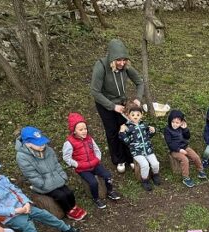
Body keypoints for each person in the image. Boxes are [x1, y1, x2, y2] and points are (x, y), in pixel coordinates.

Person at [90, 38, 144, 173]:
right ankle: (119, 159)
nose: (121, 63)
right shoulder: (101, 66)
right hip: (105, 103)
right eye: (118, 60)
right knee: (112, 131)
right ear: (112, 58)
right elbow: (95, 92)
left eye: (124, 60)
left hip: (122, 103)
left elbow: (139, 82)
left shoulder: (125, 67)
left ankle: (130, 157)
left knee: (126, 128)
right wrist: (112, 106)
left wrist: (138, 99)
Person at [15, 126, 87, 222]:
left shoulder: (48, 150)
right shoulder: (22, 156)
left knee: (68, 192)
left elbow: (56, 165)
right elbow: (31, 174)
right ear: (28, 143)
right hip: (44, 184)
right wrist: (42, 184)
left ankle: (73, 207)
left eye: (43, 143)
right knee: (60, 196)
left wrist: (62, 176)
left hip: (56, 179)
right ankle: (68, 211)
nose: (42, 145)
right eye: (39, 144)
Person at [63, 112, 122, 209]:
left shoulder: (89, 138)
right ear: (74, 131)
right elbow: (66, 157)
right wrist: (77, 164)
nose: (84, 131)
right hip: (82, 169)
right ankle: (96, 198)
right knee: (93, 182)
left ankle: (110, 191)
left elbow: (96, 150)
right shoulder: (69, 143)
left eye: (85, 129)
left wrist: (97, 159)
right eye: (80, 130)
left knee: (108, 175)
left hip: (94, 164)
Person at [118, 102, 161, 191]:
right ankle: (145, 180)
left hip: (148, 150)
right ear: (128, 116)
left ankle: (155, 175)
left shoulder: (144, 125)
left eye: (138, 115)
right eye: (133, 115)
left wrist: (153, 131)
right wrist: (122, 132)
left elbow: (148, 136)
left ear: (141, 115)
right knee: (145, 165)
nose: (135, 116)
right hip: (137, 152)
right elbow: (127, 141)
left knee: (155, 163)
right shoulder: (127, 127)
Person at [164, 110, 207, 188]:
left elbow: (187, 137)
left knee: (196, 157)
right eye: (173, 122)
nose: (174, 124)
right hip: (175, 150)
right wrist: (179, 150)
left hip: (184, 147)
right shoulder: (167, 129)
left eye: (177, 123)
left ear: (181, 122)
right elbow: (169, 143)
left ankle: (200, 171)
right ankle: (186, 178)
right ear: (170, 120)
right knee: (185, 160)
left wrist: (185, 129)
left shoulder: (181, 128)